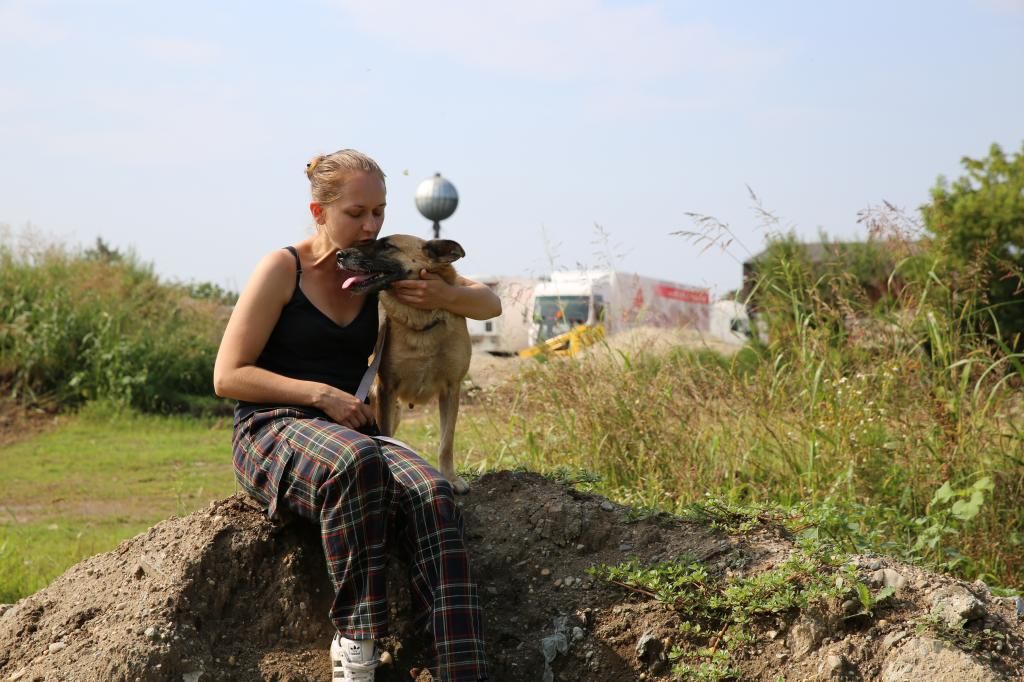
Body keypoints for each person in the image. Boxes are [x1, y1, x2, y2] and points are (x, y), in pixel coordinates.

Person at [213, 148, 499, 681]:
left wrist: (441, 291)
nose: (371, 226)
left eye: (380, 213)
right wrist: (320, 395)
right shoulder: (284, 268)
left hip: (349, 434)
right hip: (272, 428)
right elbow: (227, 376)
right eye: (356, 213)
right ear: (319, 212)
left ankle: (460, 666)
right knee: (356, 462)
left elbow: (490, 305)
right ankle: (357, 647)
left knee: (434, 494)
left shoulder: (374, 277)